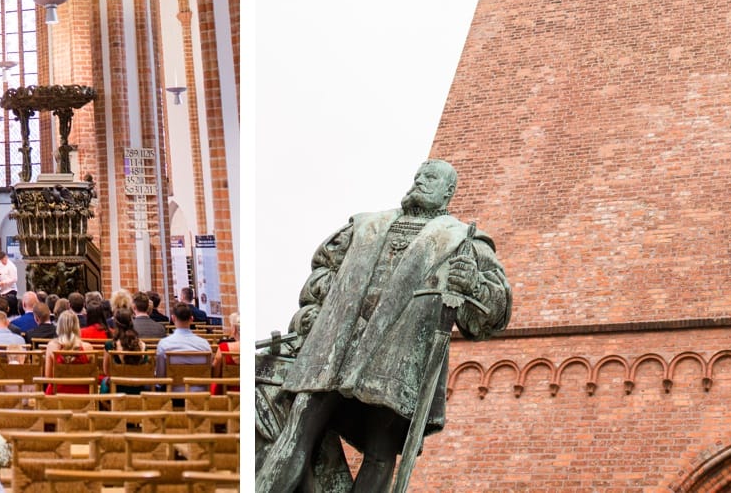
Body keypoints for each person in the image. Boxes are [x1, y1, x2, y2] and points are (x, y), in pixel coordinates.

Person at [257, 159, 511, 493]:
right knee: (297, 431)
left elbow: (493, 312)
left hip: (399, 354)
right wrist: (309, 319)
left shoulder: (462, 240)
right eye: (418, 175)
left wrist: (473, 284)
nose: (419, 180)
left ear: (448, 191)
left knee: (380, 451)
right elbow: (324, 273)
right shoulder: (366, 225)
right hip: (335, 343)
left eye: (430, 178)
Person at [155, 301, 212, 383]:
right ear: (192, 319)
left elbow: (160, 377)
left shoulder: (164, 344)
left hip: (173, 392)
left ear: (173, 318)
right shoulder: (204, 344)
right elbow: (209, 371)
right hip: (201, 392)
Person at [42, 309, 93, 395]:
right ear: (77, 326)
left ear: (59, 326)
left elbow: (48, 376)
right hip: (82, 395)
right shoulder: (88, 348)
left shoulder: (52, 346)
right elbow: (92, 375)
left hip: (56, 394)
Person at [106, 308, 149, 395]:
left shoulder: (111, 345)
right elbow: (146, 372)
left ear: (116, 324)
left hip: (117, 389)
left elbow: (106, 371)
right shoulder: (143, 345)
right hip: (139, 389)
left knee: (104, 382)